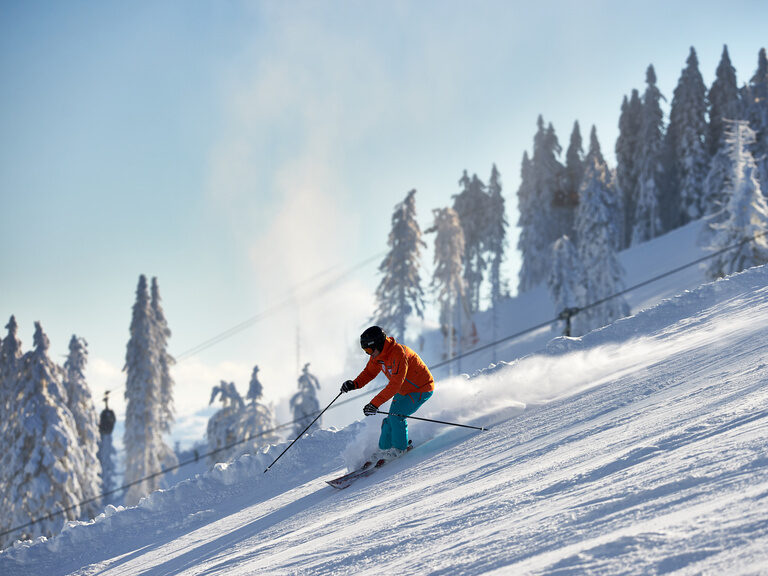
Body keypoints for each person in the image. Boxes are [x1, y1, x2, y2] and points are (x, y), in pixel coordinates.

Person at [340, 326, 434, 456]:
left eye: (368, 349)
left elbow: (395, 384)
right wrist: (354, 384)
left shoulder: (398, 354)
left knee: (396, 417)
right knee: (389, 420)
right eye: (365, 350)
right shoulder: (378, 356)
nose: (368, 353)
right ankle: (384, 449)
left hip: (421, 388)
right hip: (403, 390)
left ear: (378, 343)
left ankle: (400, 449)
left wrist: (374, 404)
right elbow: (368, 373)